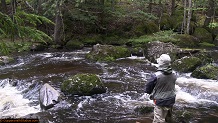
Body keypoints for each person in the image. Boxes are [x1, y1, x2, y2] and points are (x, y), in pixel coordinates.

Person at [143, 54, 177, 123]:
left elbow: (149, 85)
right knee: (169, 118)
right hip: (171, 99)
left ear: (160, 63)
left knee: (158, 120)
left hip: (160, 101)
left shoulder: (156, 76)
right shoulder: (174, 73)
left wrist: (147, 93)